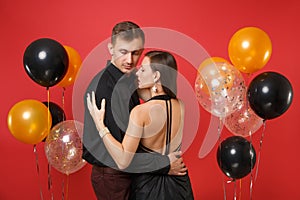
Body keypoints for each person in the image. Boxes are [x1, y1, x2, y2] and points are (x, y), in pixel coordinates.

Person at [82, 21, 187, 200]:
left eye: (136, 52)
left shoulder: (130, 79)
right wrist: (164, 164)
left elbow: (158, 103)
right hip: (113, 176)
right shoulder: (106, 89)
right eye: (124, 52)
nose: (130, 60)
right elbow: (123, 157)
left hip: (134, 174)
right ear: (111, 48)